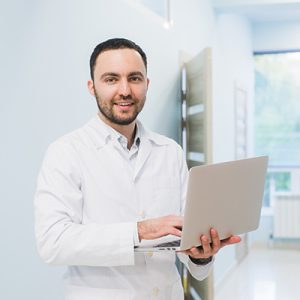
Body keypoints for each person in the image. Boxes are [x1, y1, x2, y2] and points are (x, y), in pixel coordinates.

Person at [34, 38, 241, 300]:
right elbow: (52, 242)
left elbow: (188, 238)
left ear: (147, 84)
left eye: (134, 78)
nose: (125, 90)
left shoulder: (170, 151)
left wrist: (201, 255)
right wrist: (140, 231)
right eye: (111, 79)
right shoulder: (65, 152)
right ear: (92, 87)